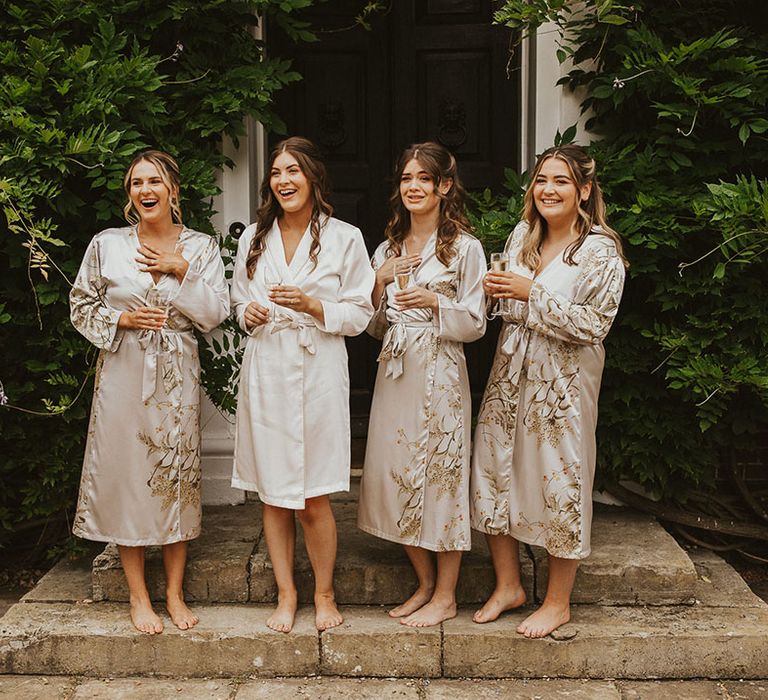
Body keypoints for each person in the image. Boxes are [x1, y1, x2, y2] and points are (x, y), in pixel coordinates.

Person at [470, 144, 628, 637]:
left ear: (583, 190)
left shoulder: (601, 250)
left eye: (560, 181)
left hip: (561, 385)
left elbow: (593, 325)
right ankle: (508, 586)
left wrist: (530, 293)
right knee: (492, 469)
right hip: (509, 374)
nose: (548, 190)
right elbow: (508, 307)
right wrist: (497, 294)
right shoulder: (522, 236)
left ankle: (558, 602)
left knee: (562, 479)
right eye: (541, 180)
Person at [70, 149, 230, 634]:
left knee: (175, 476)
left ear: (173, 190)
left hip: (176, 372)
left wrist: (181, 271)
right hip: (122, 369)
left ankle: (174, 594)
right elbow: (80, 305)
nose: (145, 191)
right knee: (126, 478)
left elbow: (216, 313)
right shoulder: (107, 244)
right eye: (137, 183)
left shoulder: (199, 247)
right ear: (129, 193)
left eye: (154, 182)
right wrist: (121, 318)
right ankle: (139, 596)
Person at [231, 137, 375, 634]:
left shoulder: (344, 238)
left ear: (312, 177)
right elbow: (237, 303)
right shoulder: (252, 237)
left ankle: (325, 593)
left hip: (318, 371)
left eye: (294, 170)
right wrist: (246, 314)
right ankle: (287, 595)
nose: (284, 180)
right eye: (276, 173)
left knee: (314, 496)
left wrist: (315, 307)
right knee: (274, 494)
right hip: (267, 367)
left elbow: (361, 312)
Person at [357, 142, 487, 628]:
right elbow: (368, 324)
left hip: (441, 374)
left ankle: (447, 594)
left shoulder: (465, 249)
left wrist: (434, 302)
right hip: (395, 372)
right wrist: (376, 282)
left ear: (444, 186)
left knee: (442, 477)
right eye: (406, 178)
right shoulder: (388, 248)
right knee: (395, 475)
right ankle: (425, 583)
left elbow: (477, 322)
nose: (413, 187)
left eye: (423, 179)